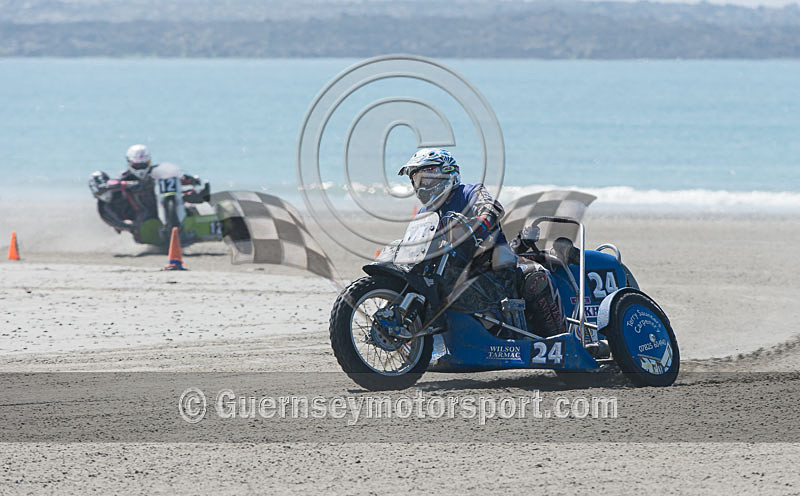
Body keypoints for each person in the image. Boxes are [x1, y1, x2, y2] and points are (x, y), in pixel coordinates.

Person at [397, 148, 565, 336]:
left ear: (447, 172)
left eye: (426, 178)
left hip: (496, 268)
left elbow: (491, 207)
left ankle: (560, 340)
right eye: (416, 181)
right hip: (455, 272)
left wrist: (481, 222)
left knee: (536, 276)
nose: (421, 186)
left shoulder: (470, 192)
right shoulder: (425, 214)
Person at [89, 144, 208, 241]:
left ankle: (196, 219)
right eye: (137, 165)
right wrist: (128, 185)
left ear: (149, 161)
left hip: (163, 203)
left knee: (190, 206)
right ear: (129, 163)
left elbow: (176, 176)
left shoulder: (157, 171)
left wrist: (190, 179)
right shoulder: (124, 177)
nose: (141, 168)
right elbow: (111, 185)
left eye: (143, 164)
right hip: (144, 214)